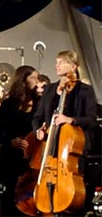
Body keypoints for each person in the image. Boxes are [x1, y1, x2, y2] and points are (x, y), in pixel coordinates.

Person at [32, 50, 97, 215]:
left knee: (76, 203)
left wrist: (71, 120)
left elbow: (91, 119)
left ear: (73, 66)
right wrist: (38, 131)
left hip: (73, 150)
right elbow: (37, 117)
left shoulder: (85, 90)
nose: (57, 65)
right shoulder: (50, 90)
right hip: (50, 148)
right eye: (56, 61)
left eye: (61, 62)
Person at [0, 65, 39, 216]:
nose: (37, 82)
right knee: (10, 200)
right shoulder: (9, 104)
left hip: (35, 156)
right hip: (12, 158)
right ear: (23, 81)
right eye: (33, 78)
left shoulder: (40, 103)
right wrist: (11, 141)